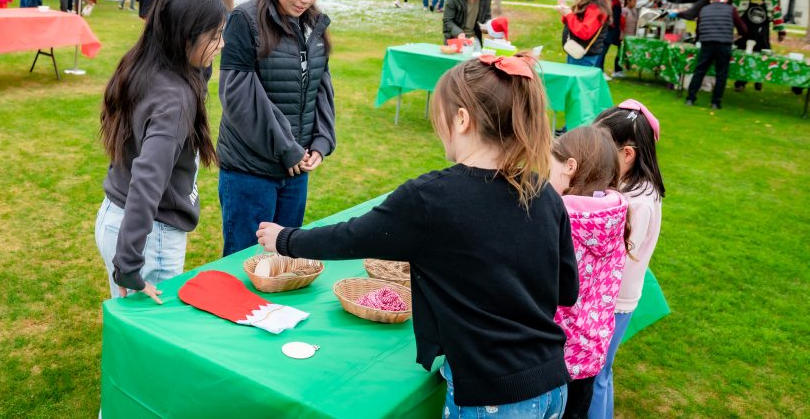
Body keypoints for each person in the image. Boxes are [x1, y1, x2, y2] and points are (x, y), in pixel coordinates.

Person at [256, 53, 577, 417]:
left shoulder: (431, 198)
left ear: (461, 118)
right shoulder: (543, 192)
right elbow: (567, 290)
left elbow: (350, 237)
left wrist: (286, 240)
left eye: (439, 115)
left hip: (494, 397)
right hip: (552, 383)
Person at [96, 0, 227, 301]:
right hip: (149, 235)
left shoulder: (147, 66)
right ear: (184, 38)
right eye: (214, 37)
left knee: (137, 332)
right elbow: (148, 178)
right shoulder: (175, 100)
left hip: (119, 217)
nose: (221, 44)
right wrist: (129, 262)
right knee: (150, 341)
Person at [217, 0, 336, 256]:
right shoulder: (244, 21)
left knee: (285, 263)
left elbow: (319, 84)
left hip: (295, 171)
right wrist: (287, 149)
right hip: (249, 171)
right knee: (246, 262)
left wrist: (320, 144)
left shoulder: (314, 25)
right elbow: (239, 97)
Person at [589, 100, 666, 419]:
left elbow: (609, 253)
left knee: (595, 373)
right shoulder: (638, 188)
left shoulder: (634, 203)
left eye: (602, 149)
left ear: (628, 153)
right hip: (616, 296)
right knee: (601, 371)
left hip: (610, 300)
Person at [549, 126, 629, 419]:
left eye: (550, 165)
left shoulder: (559, 219)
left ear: (570, 166)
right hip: (592, 350)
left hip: (555, 355)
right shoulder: (615, 213)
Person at [674, 0, 746, 110]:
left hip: (707, 43)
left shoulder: (704, 9)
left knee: (700, 71)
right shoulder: (731, 10)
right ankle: (715, 102)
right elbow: (743, 29)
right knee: (721, 74)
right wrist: (738, 35)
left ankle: (690, 98)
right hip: (724, 44)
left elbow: (699, 28)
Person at [733, 0, 783, 92]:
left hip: (762, 36)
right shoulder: (741, 1)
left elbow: (777, 16)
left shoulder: (770, 2)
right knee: (743, 59)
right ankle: (740, 83)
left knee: (763, 59)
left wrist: (781, 31)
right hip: (745, 36)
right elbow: (732, 14)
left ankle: (759, 80)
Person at [559, 0, 611, 68]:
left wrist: (569, 14)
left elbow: (584, 32)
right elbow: (572, 23)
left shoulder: (595, 9)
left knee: (577, 82)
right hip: (576, 51)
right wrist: (566, 12)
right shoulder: (587, 5)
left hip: (584, 56)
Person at [601, 0, 626, 78]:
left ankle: (615, 70)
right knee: (603, 49)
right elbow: (608, 8)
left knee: (607, 48)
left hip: (613, 27)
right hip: (609, 27)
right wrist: (610, 19)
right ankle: (600, 71)